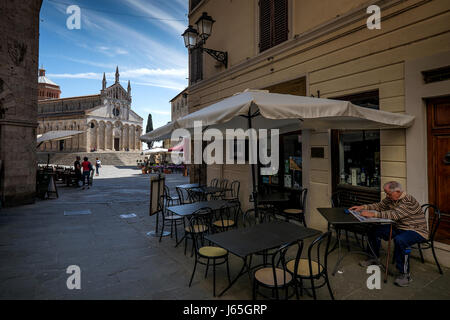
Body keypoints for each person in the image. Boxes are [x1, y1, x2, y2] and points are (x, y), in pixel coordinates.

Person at [350, 181, 428, 287]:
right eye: (386, 193)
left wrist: (373, 214)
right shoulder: (391, 198)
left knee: (401, 240)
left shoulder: (408, 201)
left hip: (416, 230)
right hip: (399, 227)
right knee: (373, 230)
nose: (387, 196)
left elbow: (394, 215)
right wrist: (363, 207)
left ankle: (405, 274)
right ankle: (374, 258)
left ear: (397, 191)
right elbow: (380, 205)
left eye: (388, 194)